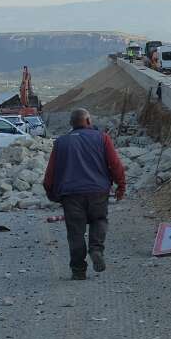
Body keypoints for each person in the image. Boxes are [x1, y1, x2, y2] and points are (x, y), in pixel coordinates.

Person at [42, 108, 126, 280]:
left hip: (71, 194)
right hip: (98, 191)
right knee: (99, 220)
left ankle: (78, 270)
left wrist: (50, 192)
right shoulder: (103, 138)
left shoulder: (60, 142)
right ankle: (96, 249)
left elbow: (50, 172)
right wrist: (121, 186)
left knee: (75, 232)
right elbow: (115, 164)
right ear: (88, 121)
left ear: (71, 124)